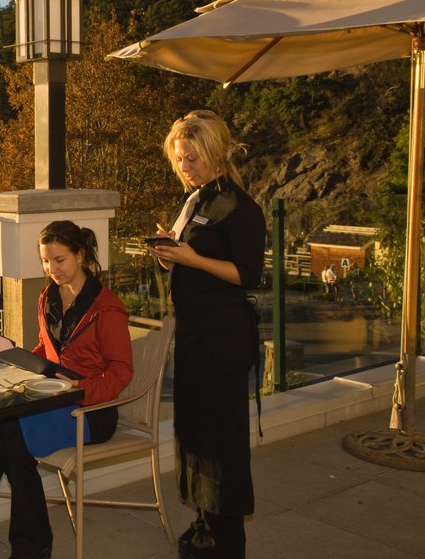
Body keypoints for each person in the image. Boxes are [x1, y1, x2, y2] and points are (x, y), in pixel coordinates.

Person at [0, 220, 133, 559]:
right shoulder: (48, 296)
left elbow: (120, 373)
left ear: (80, 255)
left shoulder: (106, 308)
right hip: (51, 398)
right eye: (45, 260)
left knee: (9, 436)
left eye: (60, 260)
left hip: (91, 410)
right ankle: (19, 538)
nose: (51, 268)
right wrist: (17, 363)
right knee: (6, 431)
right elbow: (46, 348)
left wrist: (79, 388)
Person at [148, 110, 265, 559]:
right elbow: (186, 257)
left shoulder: (240, 207)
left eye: (192, 157)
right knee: (193, 436)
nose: (184, 166)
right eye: (178, 158)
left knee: (222, 442)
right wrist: (168, 253)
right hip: (195, 335)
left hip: (222, 338)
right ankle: (203, 526)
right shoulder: (195, 200)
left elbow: (248, 274)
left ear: (215, 153)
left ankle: (226, 541)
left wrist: (192, 260)